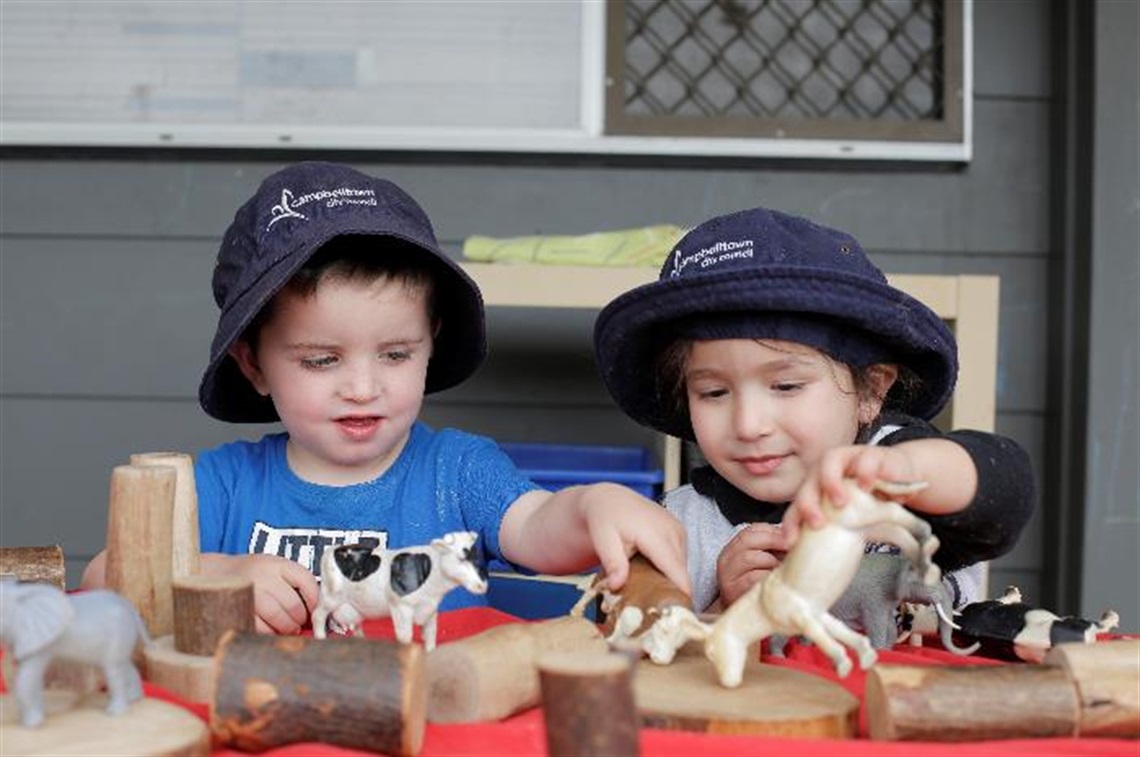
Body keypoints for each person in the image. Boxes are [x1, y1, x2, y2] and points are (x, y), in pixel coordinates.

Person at [82, 161, 688, 633]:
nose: (364, 388)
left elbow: (535, 525)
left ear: (431, 344)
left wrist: (592, 506)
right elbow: (105, 573)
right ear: (254, 365)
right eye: (321, 360)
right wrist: (211, 574)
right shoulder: (222, 486)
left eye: (396, 355)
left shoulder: (458, 472)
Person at [592, 206, 1035, 614]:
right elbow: (652, 649)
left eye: (786, 385)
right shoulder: (680, 523)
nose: (749, 425)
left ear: (872, 392)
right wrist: (723, 609)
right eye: (713, 393)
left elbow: (1007, 487)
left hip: (912, 696)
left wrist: (901, 470)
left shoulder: (912, 481)